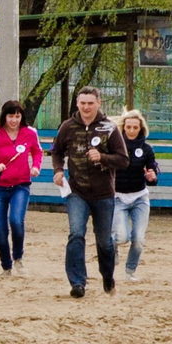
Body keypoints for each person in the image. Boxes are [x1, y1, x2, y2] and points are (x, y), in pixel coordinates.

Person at [52, 86, 122, 299]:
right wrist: (58, 170)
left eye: (90, 103)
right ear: (77, 104)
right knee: (76, 233)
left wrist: (103, 158)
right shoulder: (68, 126)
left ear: (99, 103)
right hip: (77, 191)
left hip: (103, 193)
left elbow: (123, 159)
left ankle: (107, 276)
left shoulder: (109, 128)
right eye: (82, 103)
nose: (86, 107)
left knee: (104, 242)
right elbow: (56, 151)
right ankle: (77, 282)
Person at [0, 100, 43, 276]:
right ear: (4, 116)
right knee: (0, 229)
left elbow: (37, 151)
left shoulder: (30, 133)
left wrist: (36, 166)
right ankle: (6, 266)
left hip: (20, 186)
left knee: (16, 220)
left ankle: (18, 257)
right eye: (10, 116)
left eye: (17, 116)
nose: (14, 120)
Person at [111, 108, 159, 278]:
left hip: (139, 197)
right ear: (123, 128)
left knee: (138, 239)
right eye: (128, 127)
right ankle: (113, 245)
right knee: (122, 237)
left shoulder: (147, 149)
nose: (131, 131)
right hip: (118, 198)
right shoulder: (114, 147)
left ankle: (130, 272)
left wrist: (152, 177)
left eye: (135, 128)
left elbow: (152, 173)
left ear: (141, 129)